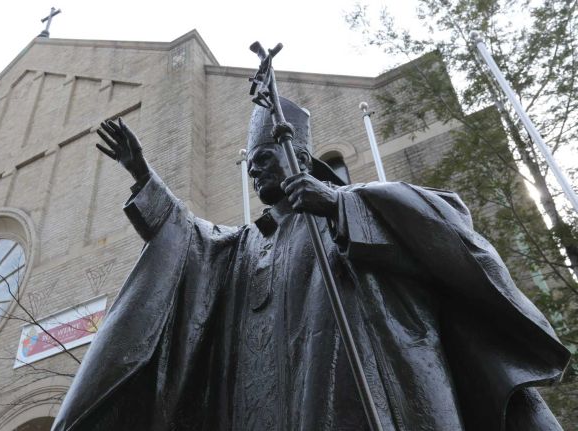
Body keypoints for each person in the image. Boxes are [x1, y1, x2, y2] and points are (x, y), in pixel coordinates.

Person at [52, 98, 569, 431]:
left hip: (348, 391)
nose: (255, 175)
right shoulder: (239, 248)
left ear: (298, 158)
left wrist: (339, 205)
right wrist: (142, 173)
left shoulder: (345, 207)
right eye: (250, 168)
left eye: (265, 161)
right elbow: (189, 241)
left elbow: (445, 224)